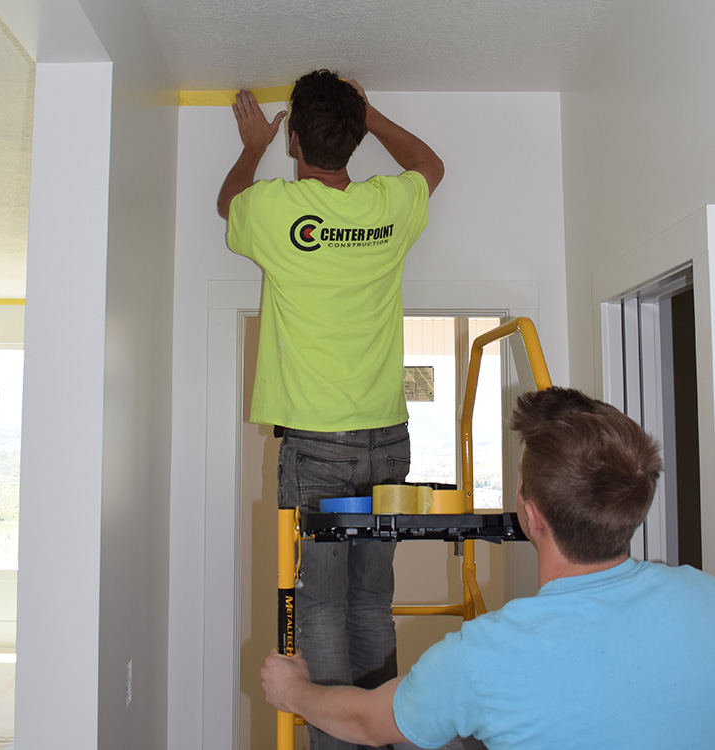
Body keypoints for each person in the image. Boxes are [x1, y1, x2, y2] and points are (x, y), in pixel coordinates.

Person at [261, 386, 715, 749]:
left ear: (531, 516)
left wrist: (292, 691)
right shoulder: (704, 597)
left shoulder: (480, 658)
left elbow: (367, 723)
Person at [218, 69, 444, 750]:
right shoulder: (388, 204)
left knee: (318, 603)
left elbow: (229, 202)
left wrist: (252, 146)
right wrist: (370, 115)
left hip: (318, 444)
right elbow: (429, 165)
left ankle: (337, 744)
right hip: (387, 442)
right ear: (353, 140)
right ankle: (378, 735)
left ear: (294, 141)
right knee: (371, 600)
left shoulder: (276, 211)